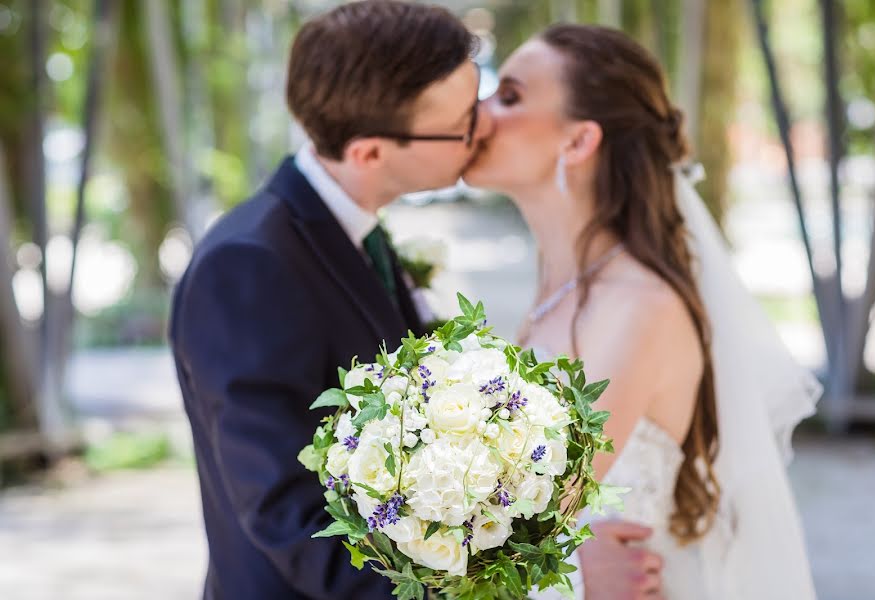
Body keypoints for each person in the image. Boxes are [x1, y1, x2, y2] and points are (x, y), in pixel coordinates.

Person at [169, 3, 659, 599]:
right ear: (371, 152)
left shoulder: (351, 233)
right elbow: (293, 523)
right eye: (461, 124)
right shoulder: (248, 268)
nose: (482, 129)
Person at [464, 24, 819, 600]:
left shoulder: (636, 307)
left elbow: (529, 528)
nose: (478, 112)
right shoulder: (563, 282)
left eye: (509, 97)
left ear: (577, 142)